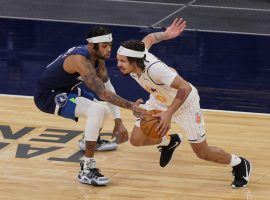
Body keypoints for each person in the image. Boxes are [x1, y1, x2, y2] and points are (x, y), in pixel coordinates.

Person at [116, 18, 251, 189]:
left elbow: (185, 88)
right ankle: (169, 141)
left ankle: (239, 163)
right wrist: (166, 34)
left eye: (122, 61)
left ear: (134, 62)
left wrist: (168, 114)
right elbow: (149, 38)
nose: (118, 64)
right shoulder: (137, 55)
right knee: (136, 139)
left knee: (202, 153)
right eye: (118, 59)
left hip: (186, 103)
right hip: (160, 99)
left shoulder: (155, 70)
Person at [34, 26, 144, 186]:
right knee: (97, 110)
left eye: (110, 45)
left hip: (65, 89)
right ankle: (86, 169)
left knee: (103, 110)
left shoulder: (98, 58)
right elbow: (104, 94)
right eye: (105, 46)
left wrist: (118, 120)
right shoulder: (80, 59)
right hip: (49, 95)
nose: (109, 50)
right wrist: (132, 106)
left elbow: (108, 87)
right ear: (93, 46)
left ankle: (90, 141)